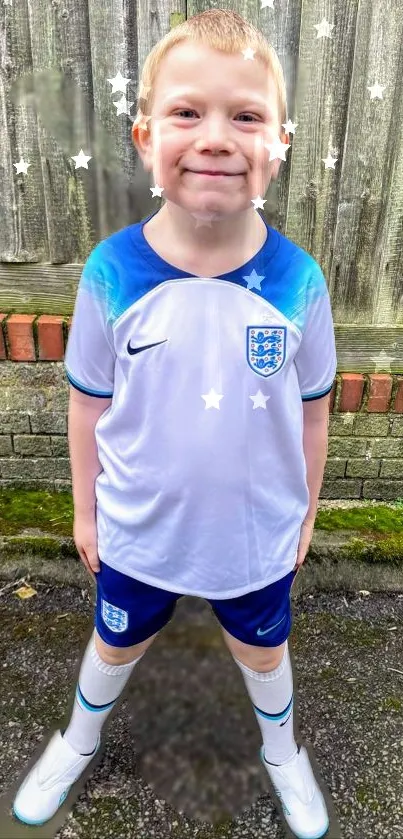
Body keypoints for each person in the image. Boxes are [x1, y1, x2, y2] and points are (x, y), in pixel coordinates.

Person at [13, 9, 337, 838]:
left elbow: (313, 406)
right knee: (114, 642)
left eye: (247, 115)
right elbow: (88, 399)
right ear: (144, 135)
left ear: (279, 144)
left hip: (253, 530)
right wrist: (85, 511)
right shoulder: (111, 271)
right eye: (188, 112)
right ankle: (78, 739)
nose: (217, 137)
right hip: (140, 526)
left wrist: (304, 511)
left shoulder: (298, 282)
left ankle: (282, 753)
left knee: (263, 650)